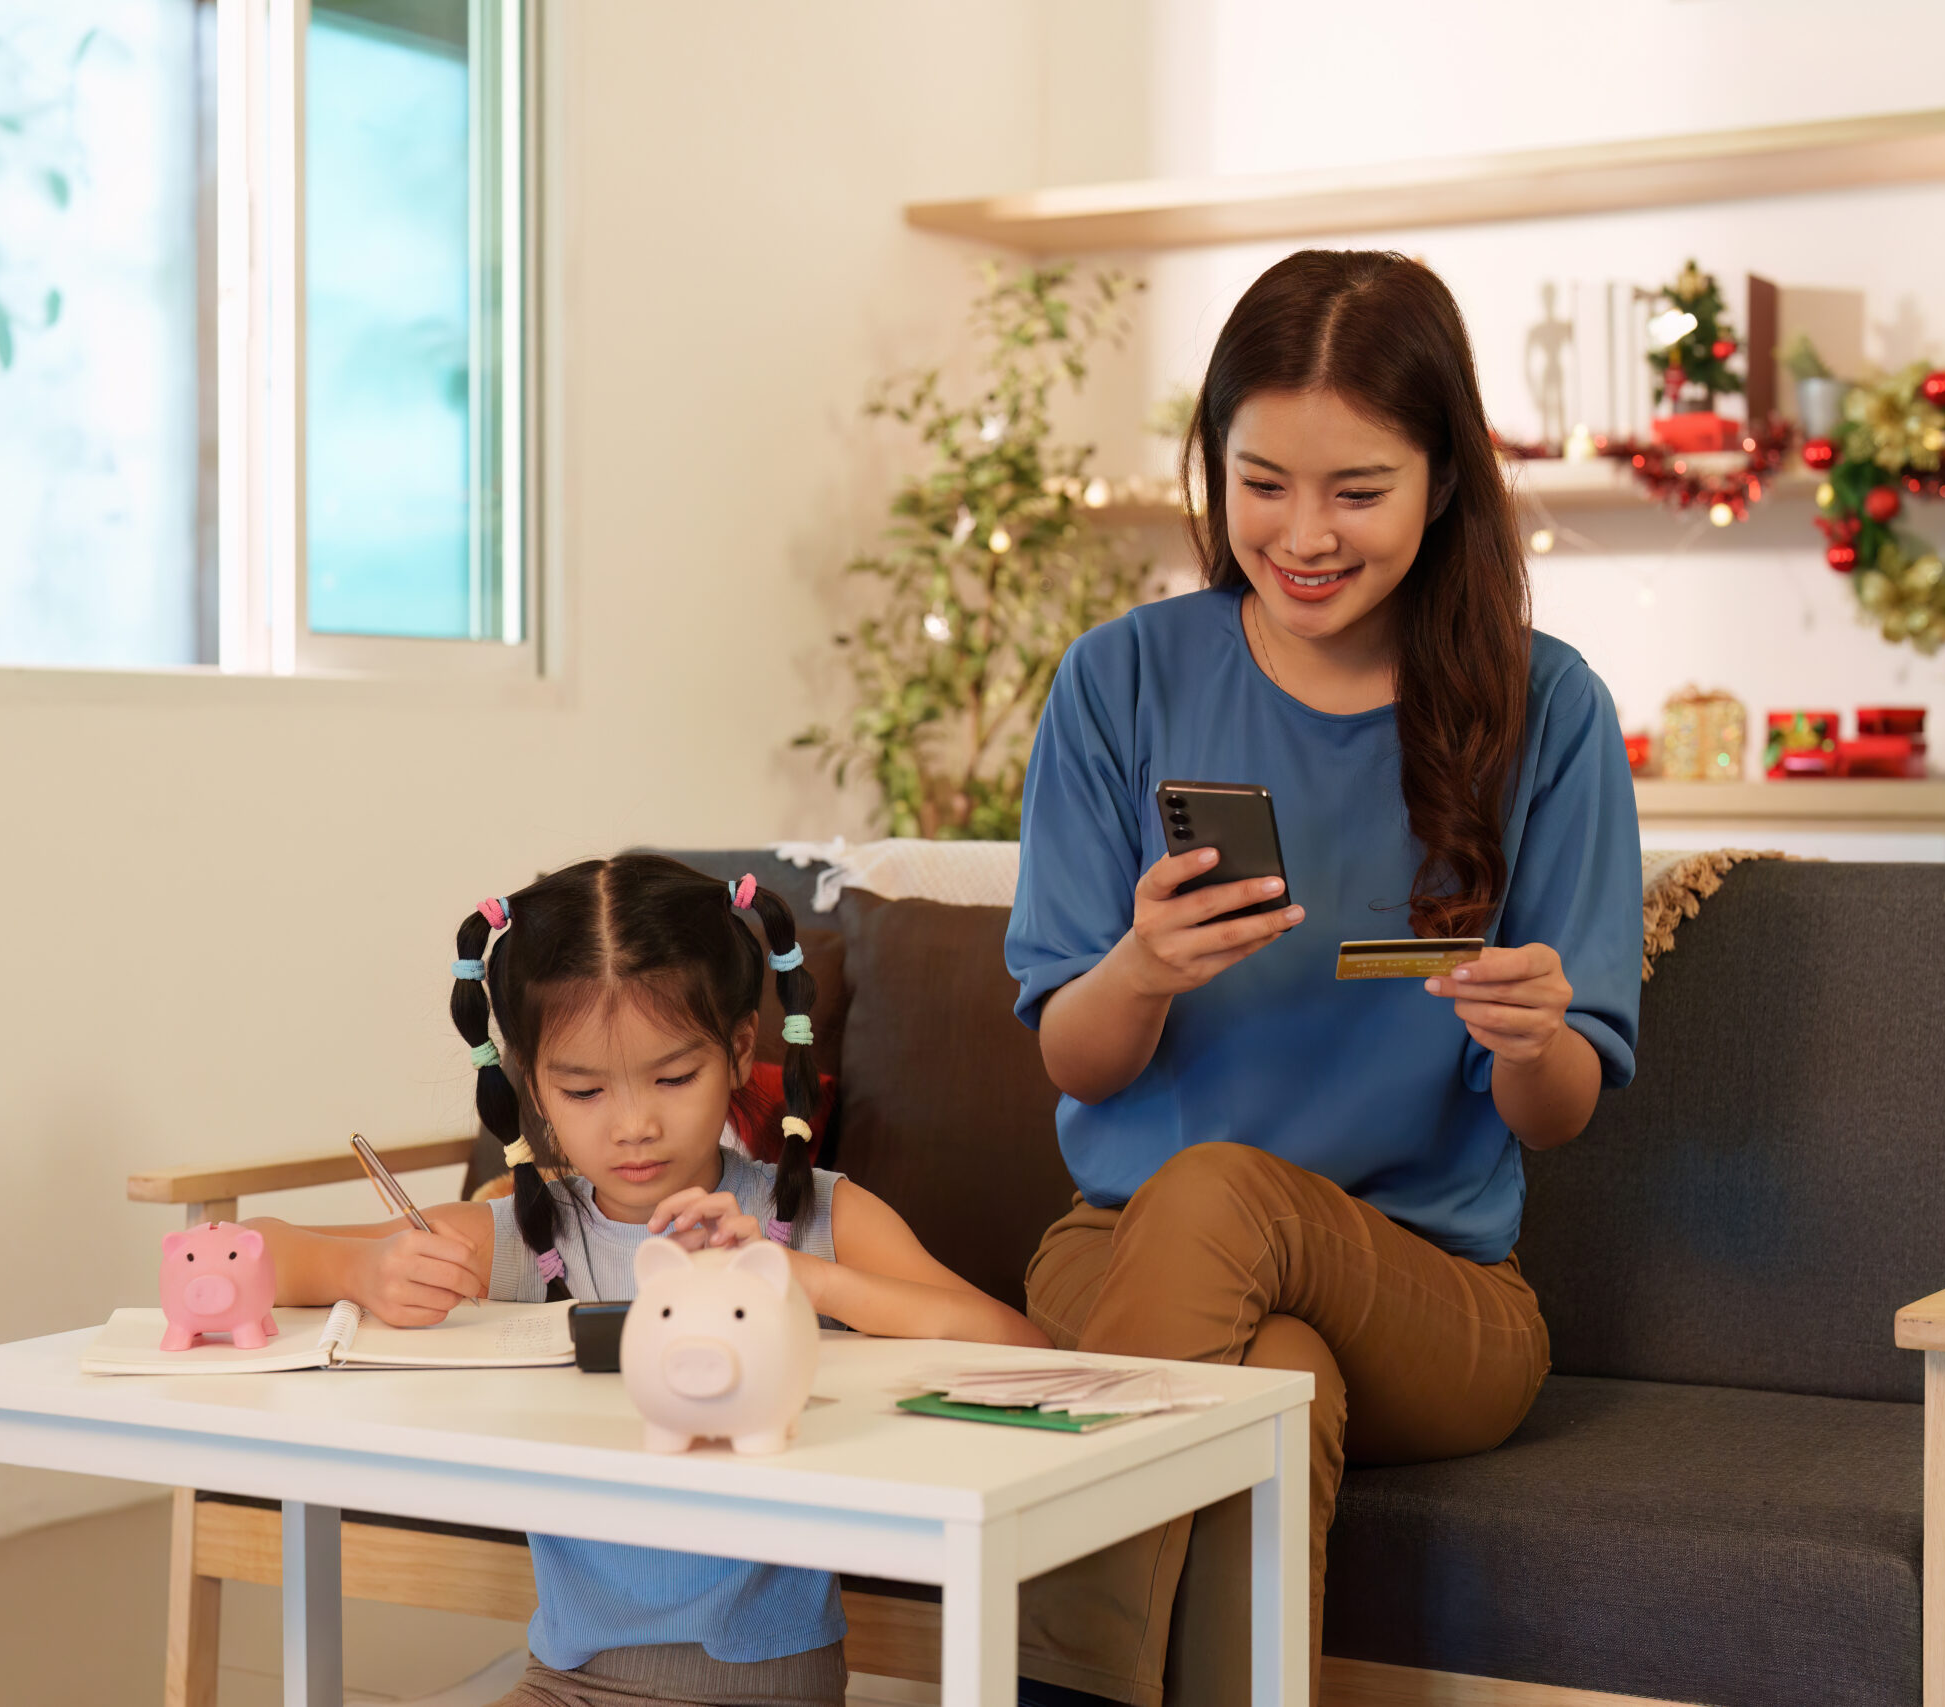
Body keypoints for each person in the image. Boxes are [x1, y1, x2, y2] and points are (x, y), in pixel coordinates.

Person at [1005, 250, 1642, 1707]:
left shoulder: (1547, 708)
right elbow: (1077, 1059)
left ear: (1444, 481)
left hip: (1438, 1293)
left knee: (1236, 1199)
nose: (1303, 533)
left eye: (1358, 490)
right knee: (1273, 1369)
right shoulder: (1119, 680)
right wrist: (1141, 968)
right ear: (1212, 464)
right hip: (1125, 1251)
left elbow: (1554, 1113)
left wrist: (1538, 1032)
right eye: (1261, 481)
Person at [251, 853, 1047, 1707]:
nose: (635, 1124)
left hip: (765, 1688)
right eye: (585, 1088)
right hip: (566, 1682)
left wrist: (807, 1283)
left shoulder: (817, 1218)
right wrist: (358, 1268)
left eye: (674, 1077)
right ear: (535, 1089)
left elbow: (1025, 1350)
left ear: (742, 1049)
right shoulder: (530, 1234)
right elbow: (250, 1249)